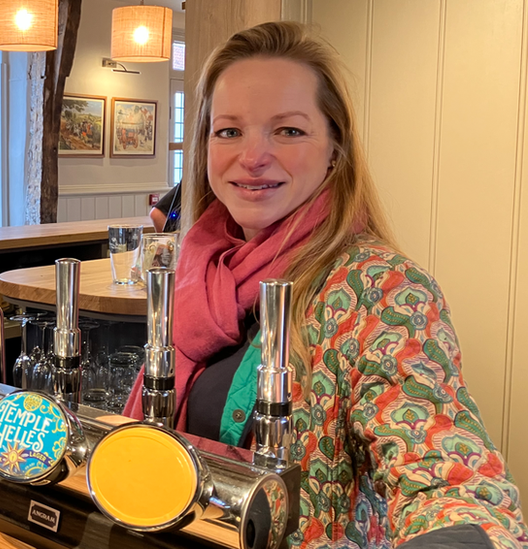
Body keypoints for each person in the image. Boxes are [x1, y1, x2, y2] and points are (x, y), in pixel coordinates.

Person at [123, 21, 527, 548]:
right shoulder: (200, 271)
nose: (252, 155)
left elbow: (447, 473)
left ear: (335, 148)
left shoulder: (381, 289)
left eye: (288, 130)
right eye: (229, 131)